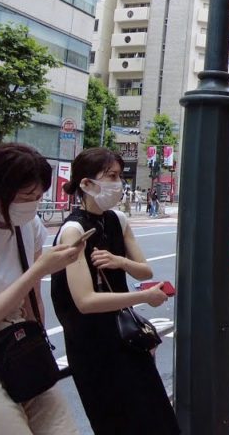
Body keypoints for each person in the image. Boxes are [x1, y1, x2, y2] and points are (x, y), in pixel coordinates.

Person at [0, 144, 83, 434]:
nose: (34, 205)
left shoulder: (29, 225)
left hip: (14, 340)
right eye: (27, 196)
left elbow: (33, 299)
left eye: (39, 197)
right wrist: (38, 270)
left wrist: (38, 346)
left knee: (61, 428)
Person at [50, 147, 178, 434]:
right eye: (111, 176)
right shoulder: (73, 230)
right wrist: (144, 297)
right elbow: (85, 301)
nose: (118, 183)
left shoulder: (117, 220)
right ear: (86, 184)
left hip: (124, 336)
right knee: (115, 420)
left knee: (155, 414)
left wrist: (119, 261)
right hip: (91, 344)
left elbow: (145, 270)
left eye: (119, 176)